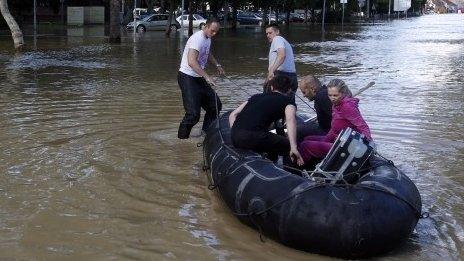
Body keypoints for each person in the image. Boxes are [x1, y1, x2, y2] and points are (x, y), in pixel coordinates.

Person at [229, 75, 304, 166]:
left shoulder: (255, 97)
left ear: (272, 87)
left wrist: (236, 132)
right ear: (289, 90)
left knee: (272, 138)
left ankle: (271, 161)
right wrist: (293, 147)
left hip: (235, 137)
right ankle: (290, 172)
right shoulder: (288, 102)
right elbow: (290, 120)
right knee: (287, 145)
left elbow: (233, 115)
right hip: (254, 137)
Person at [298, 79, 372, 164]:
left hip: (346, 146)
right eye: (330, 95)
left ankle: (301, 169)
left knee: (305, 145)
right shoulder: (336, 105)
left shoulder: (347, 107)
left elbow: (362, 125)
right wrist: (326, 140)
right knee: (307, 139)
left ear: (343, 93)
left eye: (335, 95)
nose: (332, 98)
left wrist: (368, 142)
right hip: (338, 140)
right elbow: (333, 130)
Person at [177, 18, 225, 139]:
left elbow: (207, 53)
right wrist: (208, 77)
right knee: (193, 115)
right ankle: (181, 141)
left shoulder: (207, 38)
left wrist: (217, 65)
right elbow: (192, 62)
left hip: (198, 77)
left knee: (215, 105)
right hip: (187, 77)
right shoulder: (197, 39)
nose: (214, 34)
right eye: (212, 31)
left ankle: (206, 134)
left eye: (216, 32)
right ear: (206, 26)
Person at [264, 23, 297, 97]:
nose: (268, 35)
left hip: (281, 77)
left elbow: (282, 55)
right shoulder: (285, 42)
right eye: (267, 34)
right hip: (292, 77)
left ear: (277, 32)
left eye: (270, 33)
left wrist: (271, 71)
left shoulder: (277, 39)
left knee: (268, 101)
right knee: (289, 104)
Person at [297, 75, 332, 140]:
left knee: (297, 130)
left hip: (327, 131)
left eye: (304, 92)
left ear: (313, 89)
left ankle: (296, 149)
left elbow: (334, 116)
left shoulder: (320, 97)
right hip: (325, 127)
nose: (304, 95)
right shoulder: (325, 90)